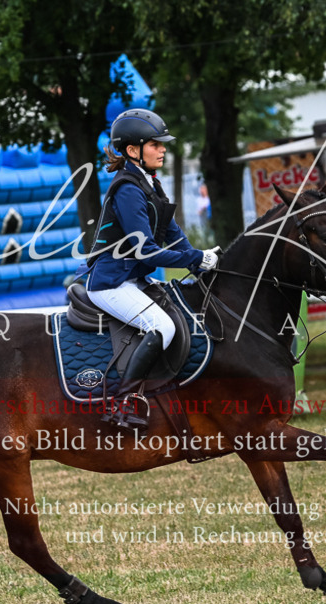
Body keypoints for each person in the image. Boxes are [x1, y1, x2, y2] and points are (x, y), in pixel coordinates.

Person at [80, 109, 220, 429]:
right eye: (156, 144)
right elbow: (146, 252)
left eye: (162, 144)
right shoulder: (128, 189)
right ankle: (123, 404)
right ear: (133, 150)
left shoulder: (150, 185)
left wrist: (201, 261)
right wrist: (193, 259)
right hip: (111, 284)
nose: (163, 149)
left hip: (134, 281)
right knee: (162, 328)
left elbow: (173, 234)